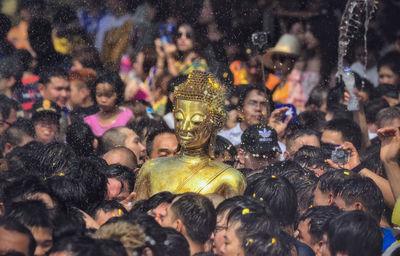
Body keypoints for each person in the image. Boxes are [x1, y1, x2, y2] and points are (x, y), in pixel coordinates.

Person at [134, 71, 246, 201]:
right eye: (179, 120)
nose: (185, 128)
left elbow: (231, 219)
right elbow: (138, 216)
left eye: (196, 122)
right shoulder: (151, 169)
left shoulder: (230, 178)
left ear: (216, 124)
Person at [84, 70, 133, 137]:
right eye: (99, 95)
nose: (103, 100)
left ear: (118, 94)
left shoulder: (127, 116)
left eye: (108, 95)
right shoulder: (89, 122)